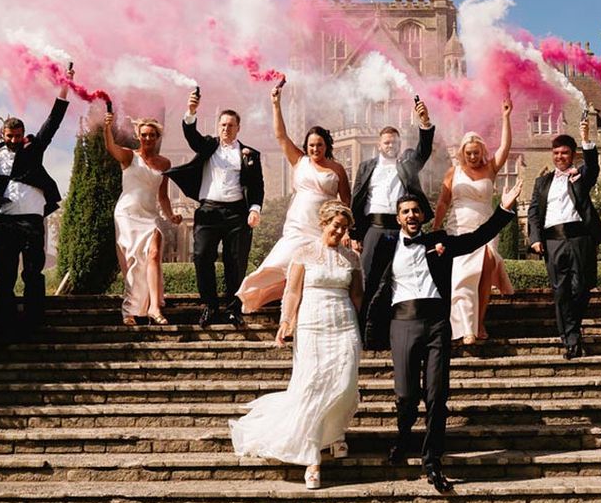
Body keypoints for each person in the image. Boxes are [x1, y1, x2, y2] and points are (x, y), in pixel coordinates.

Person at [364, 181, 522, 493]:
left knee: (437, 396)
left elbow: (477, 238)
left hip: (437, 323)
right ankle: (404, 435)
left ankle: (432, 460)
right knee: (406, 395)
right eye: (405, 212)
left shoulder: (440, 242)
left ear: (422, 216)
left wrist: (503, 209)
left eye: (415, 211)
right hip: (402, 322)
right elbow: (370, 285)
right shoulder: (386, 244)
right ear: (398, 218)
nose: (411, 215)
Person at [229, 201, 362, 490]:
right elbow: (291, 292)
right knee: (313, 386)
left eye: (344, 227)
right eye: (335, 225)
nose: (339, 231)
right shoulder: (303, 253)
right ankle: (312, 455)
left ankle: (336, 432)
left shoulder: (352, 257)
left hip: (344, 322)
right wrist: (286, 323)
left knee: (346, 381)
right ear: (323, 223)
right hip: (312, 323)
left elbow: (357, 296)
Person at [236, 84, 350, 313]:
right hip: (298, 223)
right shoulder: (300, 161)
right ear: (306, 147)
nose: (315, 148)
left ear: (326, 145)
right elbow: (281, 136)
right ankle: (254, 294)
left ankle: (301, 312)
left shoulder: (337, 169)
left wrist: (346, 231)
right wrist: (276, 104)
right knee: (282, 261)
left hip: (322, 226)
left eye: (319, 145)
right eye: (311, 145)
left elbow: (346, 204)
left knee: (312, 270)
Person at [165, 91, 264, 328]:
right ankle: (210, 305)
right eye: (222, 125)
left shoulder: (250, 154)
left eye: (231, 125)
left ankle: (233, 309)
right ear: (218, 126)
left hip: (237, 214)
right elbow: (192, 136)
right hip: (208, 211)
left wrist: (255, 209)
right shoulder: (208, 146)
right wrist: (191, 111)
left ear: (238, 128)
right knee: (201, 256)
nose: (226, 129)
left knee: (236, 261)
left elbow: (257, 185)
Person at [0, 68, 72, 335]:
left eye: (17, 136)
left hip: (32, 220)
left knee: (33, 273)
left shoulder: (33, 149)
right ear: (3, 135)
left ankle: (35, 321)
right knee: (5, 276)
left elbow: (53, 121)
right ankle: (7, 325)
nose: (13, 140)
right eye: (9, 136)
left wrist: (64, 88)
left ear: (23, 134)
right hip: (3, 221)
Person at [433, 99, 514, 345]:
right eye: (468, 153)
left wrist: (506, 117)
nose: (472, 157)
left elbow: (505, 147)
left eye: (476, 153)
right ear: (462, 153)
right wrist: (436, 229)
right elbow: (443, 203)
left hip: (487, 225)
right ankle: (465, 328)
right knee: (462, 276)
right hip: (459, 226)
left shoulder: (490, 168)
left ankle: (478, 322)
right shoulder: (452, 172)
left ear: (481, 151)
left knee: (485, 274)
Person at [527, 120, 601, 360]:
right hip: (552, 241)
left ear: (573, 155)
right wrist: (534, 238)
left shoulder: (580, 175)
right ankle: (571, 339)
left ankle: (571, 330)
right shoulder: (542, 182)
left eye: (564, 153)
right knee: (560, 292)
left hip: (580, 238)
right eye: (556, 153)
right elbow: (533, 212)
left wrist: (585, 138)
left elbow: (592, 167)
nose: (559, 156)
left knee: (581, 288)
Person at [350, 98, 433, 321]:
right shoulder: (367, 166)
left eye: (395, 142)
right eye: (387, 143)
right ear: (379, 144)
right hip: (374, 229)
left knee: (400, 275)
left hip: (400, 229)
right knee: (368, 278)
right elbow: (357, 200)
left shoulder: (406, 162)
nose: (391, 146)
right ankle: (363, 326)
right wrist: (355, 233)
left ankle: (395, 326)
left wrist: (424, 123)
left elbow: (423, 151)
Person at [104, 113, 182, 326]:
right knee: (132, 264)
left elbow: (163, 196)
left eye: (152, 135)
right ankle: (129, 310)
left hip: (150, 216)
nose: (148, 139)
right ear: (138, 136)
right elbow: (111, 148)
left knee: (154, 255)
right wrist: (107, 128)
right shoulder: (129, 156)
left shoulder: (165, 163)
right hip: (127, 215)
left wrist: (171, 215)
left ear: (157, 137)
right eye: (144, 135)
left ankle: (154, 308)